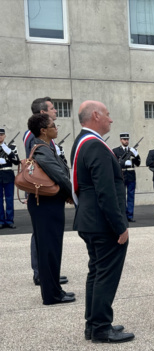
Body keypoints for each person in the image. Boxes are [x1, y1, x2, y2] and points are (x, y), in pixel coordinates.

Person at [70, 100, 134, 343]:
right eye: (107, 114)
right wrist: (120, 227)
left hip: (89, 220)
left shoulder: (82, 142)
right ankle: (100, 328)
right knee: (105, 274)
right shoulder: (94, 145)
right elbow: (105, 192)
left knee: (96, 273)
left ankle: (94, 323)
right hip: (102, 223)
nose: (111, 119)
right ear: (95, 115)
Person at [25, 114, 75, 305]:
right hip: (45, 206)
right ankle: (51, 295)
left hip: (48, 203)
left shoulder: (46, 147)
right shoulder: (42, 150)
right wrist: (72, 194)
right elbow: (59, 176)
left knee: (52, 249)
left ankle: (55, 290)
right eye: (53, 125)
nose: (56, 128)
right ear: (43, 130)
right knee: (48, 250)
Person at [112, 133, 141, 222]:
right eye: (124, 139)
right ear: (121, 140)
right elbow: (114, 163)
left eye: (127, 139)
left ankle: (130, 215)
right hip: (121, 175)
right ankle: (123, 215)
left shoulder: (133, 150)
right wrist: (123, 163)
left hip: (131, 175)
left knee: (131, 196)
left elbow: (138, 163)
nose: (126, 141)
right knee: (121, 196)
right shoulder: (116, 151)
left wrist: (136, 155)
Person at [0, 129, 20, 229]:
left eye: (1, 135)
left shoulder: (11, 147)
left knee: (9, 199)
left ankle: (9, 220)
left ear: (5, 136)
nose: (0, 136)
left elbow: (17, 161)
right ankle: (1, 221)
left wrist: (8, 152)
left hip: (8, 174)